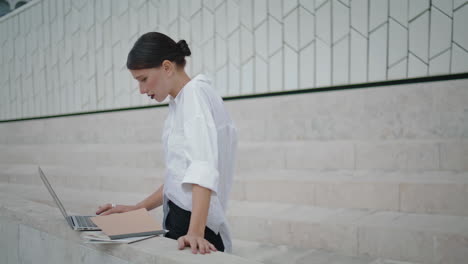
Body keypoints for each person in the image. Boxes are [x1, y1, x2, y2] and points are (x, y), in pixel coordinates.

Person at [95, 32, 237, 255]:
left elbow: (202, 167)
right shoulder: (182, 100)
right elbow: (180, 175)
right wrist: (137, 209)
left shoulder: (194, 96)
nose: (142, 90)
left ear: (167, 67)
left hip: (193, 225)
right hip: (183, 219)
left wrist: (196, 232)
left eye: (143, 79)